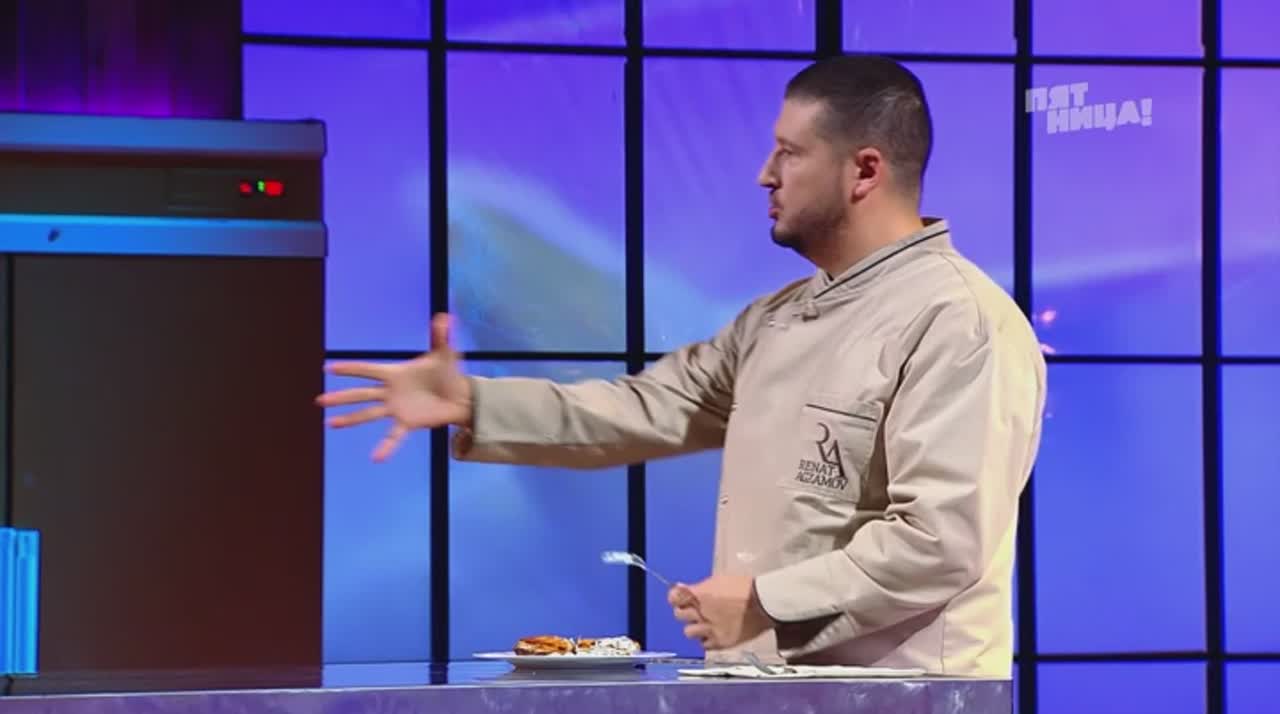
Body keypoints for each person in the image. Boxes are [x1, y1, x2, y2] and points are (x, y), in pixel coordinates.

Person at [316, 54, 1046, 678]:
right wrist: (476, 403)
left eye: (789, 153)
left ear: (864, 170)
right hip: (762, 687)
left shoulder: (960, 322)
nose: (765, 175)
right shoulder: (773, 320)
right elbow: (650, 407)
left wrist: (764, 601)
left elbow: (939, 541)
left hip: (900, 694)